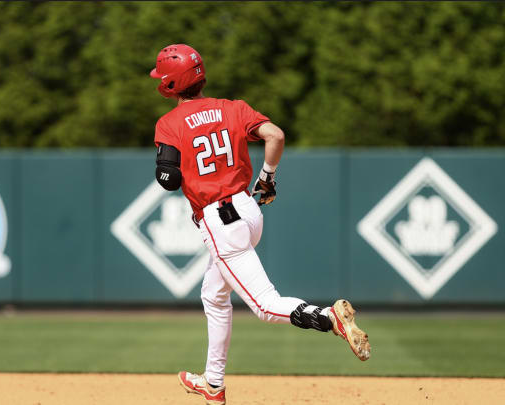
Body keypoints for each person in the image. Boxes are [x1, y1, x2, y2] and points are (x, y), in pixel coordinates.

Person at [150, 44, 371, 405]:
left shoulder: (169, 123)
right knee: (214, 295)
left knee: (266, 306)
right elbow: (276, 136)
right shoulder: (233, 108)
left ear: (170, 84)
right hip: (248, 209)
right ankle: (214, 383)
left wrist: (167, 165)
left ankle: (329, 317)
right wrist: (267, 177)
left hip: (219, 221)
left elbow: (169, 179)